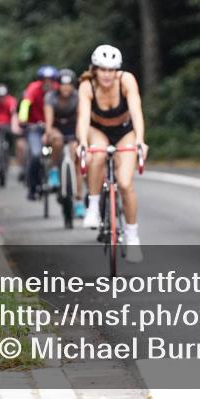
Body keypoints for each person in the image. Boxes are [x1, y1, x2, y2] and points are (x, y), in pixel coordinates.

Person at [76, 45, 149, 262]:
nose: (107, 75)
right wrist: (81, 142)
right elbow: (82, 117)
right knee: (97, 155)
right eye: (103, 69)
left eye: (111, 70)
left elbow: (136, 111)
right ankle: (93, 206)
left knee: (125, 184)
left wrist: (139, 141)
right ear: (95, 70)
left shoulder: (126, 80)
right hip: (97, 130)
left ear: (117, 71)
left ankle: (133, 237)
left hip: (125, 131)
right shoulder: (87, 86)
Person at [45, 68, 83, 217]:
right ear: (58, 85)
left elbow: (82, 118)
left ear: (73, 85)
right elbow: (49, 121)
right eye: (62, 84)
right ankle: (54, 170)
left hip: (73, 129)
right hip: (57, 128)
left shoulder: (78, 97)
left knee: (76, 162)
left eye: (69, 84)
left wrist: (80, 137)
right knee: (57, 140)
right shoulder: (50, 97)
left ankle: (79, 201)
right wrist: (48, 132)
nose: (66, 87)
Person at [19, 65, 58, 200]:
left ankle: (60, 183)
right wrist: (23, 119)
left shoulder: (57, 90)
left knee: (60, 151)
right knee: (35, 154)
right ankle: (32, 187)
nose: (48, 83)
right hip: (34, 127)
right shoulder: (33, 88)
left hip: (52, 127)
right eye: (45, 80)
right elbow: (25, 104)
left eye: (50, 80)